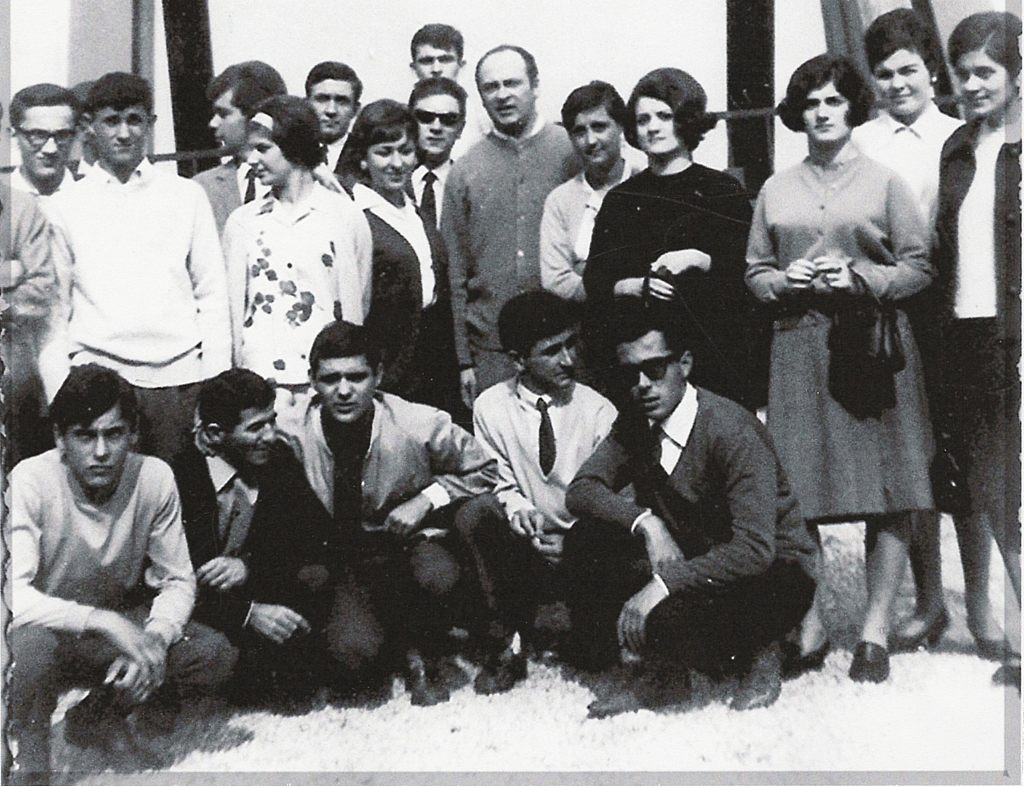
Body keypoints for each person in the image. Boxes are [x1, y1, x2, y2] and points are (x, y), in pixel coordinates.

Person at [745, 55, 934, 683]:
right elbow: (754, 273)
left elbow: (919, 265)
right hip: (798, 347)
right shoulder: (776, 186)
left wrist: (862, 276)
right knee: (800, 493)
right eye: (810, 104)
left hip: (871, 345)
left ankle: (874, 631)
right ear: (797, 115)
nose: (822, 113)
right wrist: (783, 279)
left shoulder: (884, 181)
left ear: (853, 107)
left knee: (889, 490)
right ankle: (814, 620)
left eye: (833, 101)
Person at [563, 310, 817, 717]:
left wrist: (664, 583)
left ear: (684, 363)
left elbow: (754, 550)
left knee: (671, 620)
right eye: (631, 373)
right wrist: (646, 522)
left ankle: (764, 651)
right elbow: (580, 491)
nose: (642, 385)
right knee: (586, 540)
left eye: (655, 369)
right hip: (702, 559)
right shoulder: (635, 424)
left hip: (771, 571)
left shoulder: (730, 429)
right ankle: (668, 677)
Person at [8, 365, 237, 784]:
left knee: (211, 653)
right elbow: (13, 595)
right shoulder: (29, 480)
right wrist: (103, 622)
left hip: (117, 624)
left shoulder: (153, 476)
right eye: (84, 435)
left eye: (113, 434)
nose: (100, 452)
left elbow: (178, 580)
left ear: (133, 434)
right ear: (60, 438)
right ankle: (32, 762)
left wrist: (154, 637)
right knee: (27, 650)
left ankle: (100, 715)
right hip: (49, 628)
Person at [855, 9, 995, 657]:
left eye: (908, 69)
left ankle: (982, 607)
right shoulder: (858, 143)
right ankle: (928, 602)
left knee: (964, 460)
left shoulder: (961, 134)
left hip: (952, 319)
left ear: (931, 70)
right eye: (883, 73)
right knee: (911, 465)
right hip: (887, 322)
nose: (896, 83)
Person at [293, 321, 499, 705]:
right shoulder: (292, 429)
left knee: (439, 577)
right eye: (329, 378)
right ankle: (390, 641)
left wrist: (426, 500)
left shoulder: (419, 423)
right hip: (344, 558)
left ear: (379, 376)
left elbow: (485, 469)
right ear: (312, 380)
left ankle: (425, 646)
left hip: (407, 545)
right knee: (353, 656)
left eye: (356, 377)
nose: (343, 391)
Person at [46, 72, 231, 464]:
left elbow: (212, 294)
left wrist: (214, 385)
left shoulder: (185, 196)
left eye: (134, 119)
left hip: (179, 384)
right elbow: (54, 310)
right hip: (97, 379)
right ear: (89, 127)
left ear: (151, 124)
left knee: (181, 500)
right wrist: (61, 391)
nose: (124, 133)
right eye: (112, 121)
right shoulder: (65, 206)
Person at [173, 368, 375, 702]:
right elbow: (182, 578)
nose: (270, 434)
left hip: (271, 585)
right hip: (212, 606)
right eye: (255, 427)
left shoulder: (278, 458)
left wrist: (249, 567)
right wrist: (248, 614)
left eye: (271, 421)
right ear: (214, 434)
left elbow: (321, 539)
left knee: (358, 651)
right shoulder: (181, 477)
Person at [458, 291, 617, 694]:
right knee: (476, 512)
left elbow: (610, 494)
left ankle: (577, 620)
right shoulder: (490, 407)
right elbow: (499, 479)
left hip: (582, 545)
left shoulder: (599, 410)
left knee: (595, 656)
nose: (568, 360)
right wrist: (519, 512)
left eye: (570, 345)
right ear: (517, 360)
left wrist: (574, 540)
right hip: (523, 544)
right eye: (551, 351)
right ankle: (505, 641)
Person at [932, 11, 1022, 691]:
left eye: (986, 71)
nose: (972, 84)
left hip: (1016, 334)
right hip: (965, 335)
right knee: (987, 484)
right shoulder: (957, 148)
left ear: (1017, 74)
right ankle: (1003, 626)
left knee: (1012, 487)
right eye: (962, 74)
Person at [583, 68, 759, 410]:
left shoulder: (721, 190)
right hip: (645, 363)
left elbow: (747, 270)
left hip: (713, 356)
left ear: (686, 119)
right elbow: (596, 280)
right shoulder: (620, 200)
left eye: (664, 116)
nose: (653, 126)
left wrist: (698, 258)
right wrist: (636, 285)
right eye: (643, 118)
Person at [222, 95, 373, 435]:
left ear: (292, 144)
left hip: (325, 383)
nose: (252, 159)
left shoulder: (343, 216)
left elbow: (358, 298)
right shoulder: (243, 222)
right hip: (261, 379)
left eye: (263, 148)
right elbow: (233, 307)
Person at [441, 44, 580, 408]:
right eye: (491, 87)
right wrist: (463, 362)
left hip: (567, 344)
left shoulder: (571, 152)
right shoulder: (466, 170)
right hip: (492, 351)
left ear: (534, 86)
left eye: (512, 83)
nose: (502, 95)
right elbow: (454, 273)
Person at [339, 99, 461, 414]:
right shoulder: (356, 215)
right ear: (364, 159)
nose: (397, 163)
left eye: (405, 151)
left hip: (431, 359)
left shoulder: (413, 210)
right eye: (383, 152)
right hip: (390, 366)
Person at [540, 81, 645, 304]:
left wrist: (585, 275)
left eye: (599, 127)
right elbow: (555, 281)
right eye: (579, 131)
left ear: (620, 127)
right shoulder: (560, 201)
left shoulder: (647, 186)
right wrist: (617, 289)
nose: (590, 141)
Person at [195, 61, 288, 235]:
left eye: (224, 113)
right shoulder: (202, 187)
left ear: (254, 115)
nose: (213, 123)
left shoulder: (297, 180)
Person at [408, 22, 486, 157]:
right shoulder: (402, 116)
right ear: (413, 68)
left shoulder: (483, 120)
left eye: (445, 60)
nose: (436, 69)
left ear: (461, 65)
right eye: (427, 61)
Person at [408, 77, 467, 230]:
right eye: (425, 118)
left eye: (448, 119)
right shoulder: (391, 182)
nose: (436, 127)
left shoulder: (470, 186)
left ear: (460, 128)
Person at [9, 83, 82, 198]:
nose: (51, 149)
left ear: (76, 135)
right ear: (14, 136)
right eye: (38, 135)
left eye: (62, 135)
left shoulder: (97, 200)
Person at [305, 61, 362, 175]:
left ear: (355, 110)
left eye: (342, 101)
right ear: (306, 105)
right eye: (322, 99)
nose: (331, 110)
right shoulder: (291, 154)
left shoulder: (365, 155)